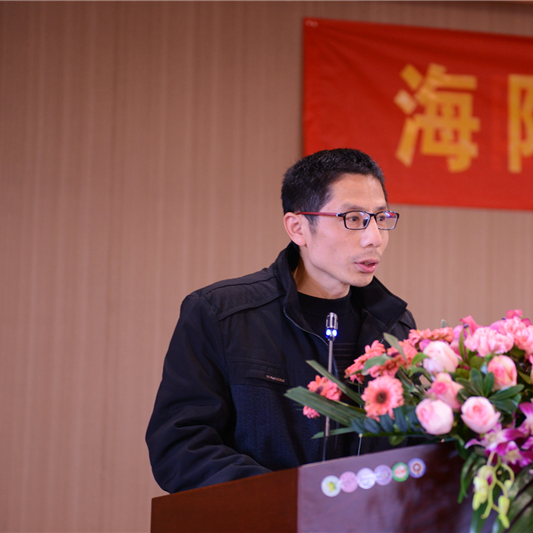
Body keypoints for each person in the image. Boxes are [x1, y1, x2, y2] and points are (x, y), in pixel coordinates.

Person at [146, 148, 416, 493]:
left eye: (381, 217)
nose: (374, 237)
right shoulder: (221, 313)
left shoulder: (395, 328)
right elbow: (182, 448)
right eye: (353, 218)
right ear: (298, 228)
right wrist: (292, 500)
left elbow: (412, 450)